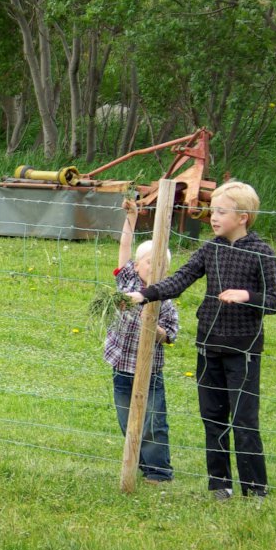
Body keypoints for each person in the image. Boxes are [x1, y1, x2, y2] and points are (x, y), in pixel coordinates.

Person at [128, 180, 276, 500]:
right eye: (212, 211)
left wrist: (246, 296)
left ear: (243, 217)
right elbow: (181, 279)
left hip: (243, 351)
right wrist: (144, 294)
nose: (213, 217)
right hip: (208, 347)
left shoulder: (261, 252)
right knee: (213, 419)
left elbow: (273, 301)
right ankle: (219, 485)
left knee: (244, 421)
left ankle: (255, 489)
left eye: (221, 212)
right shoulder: (210, 249)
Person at [105, 198, 179, 484]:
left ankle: (158, 471)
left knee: (153, 420)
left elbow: (170, 333)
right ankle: (136, 460)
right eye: (150, 262)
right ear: (136, 266)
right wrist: (132, 217)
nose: (156, 266)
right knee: (126, 419)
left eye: (162, 264)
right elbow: (125, 246)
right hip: (122, 367)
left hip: (150, 372)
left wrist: (156, 330)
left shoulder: (166, 299)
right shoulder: (126, 284)